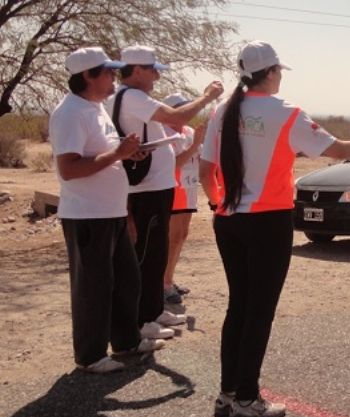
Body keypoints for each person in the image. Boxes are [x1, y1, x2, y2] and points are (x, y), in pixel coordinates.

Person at [198, 40, 350, 417]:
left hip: (228, 219)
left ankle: (227, 395)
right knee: (259, 310)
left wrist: (217, 204)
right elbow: (335, 148)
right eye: (278, 71)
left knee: (239, 306)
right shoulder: (284, 112)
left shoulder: (222, 111)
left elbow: (207, 171)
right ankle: (246, 398)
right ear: (271, 73)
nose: (279, 77)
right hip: (268, 220)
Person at [49, 47, 165, 373]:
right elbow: (70, 168)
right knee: (93, 287)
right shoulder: (70, 113)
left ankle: (126, 341)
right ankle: (90, 355)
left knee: (126, 279)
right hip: (87, 214)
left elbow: (106, 153)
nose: (114, 76)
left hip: (109, 211)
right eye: (108, 71)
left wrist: (129, 153)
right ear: (88, 75)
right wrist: (118, 154)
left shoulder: (95, 108)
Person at [107, 45, 224, 339]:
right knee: (146, 253)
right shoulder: (132, 97)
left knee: (156, 251)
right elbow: (179, 116)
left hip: (155, 186)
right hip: (145, 188)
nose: (157, 75)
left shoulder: (132, 97)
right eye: (151, 69)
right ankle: (141, 319)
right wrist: (207, 97)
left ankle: (153, 309)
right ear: (134, 70)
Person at [161, 93, 206, 304]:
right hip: (172, 190)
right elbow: (175, 163)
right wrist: (196, 144)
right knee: (171, 238)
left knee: (181, 235)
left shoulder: (188, 132)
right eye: (180, 108)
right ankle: (163, 283)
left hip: (188, 191)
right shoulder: (164, 133)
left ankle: (169, 278)